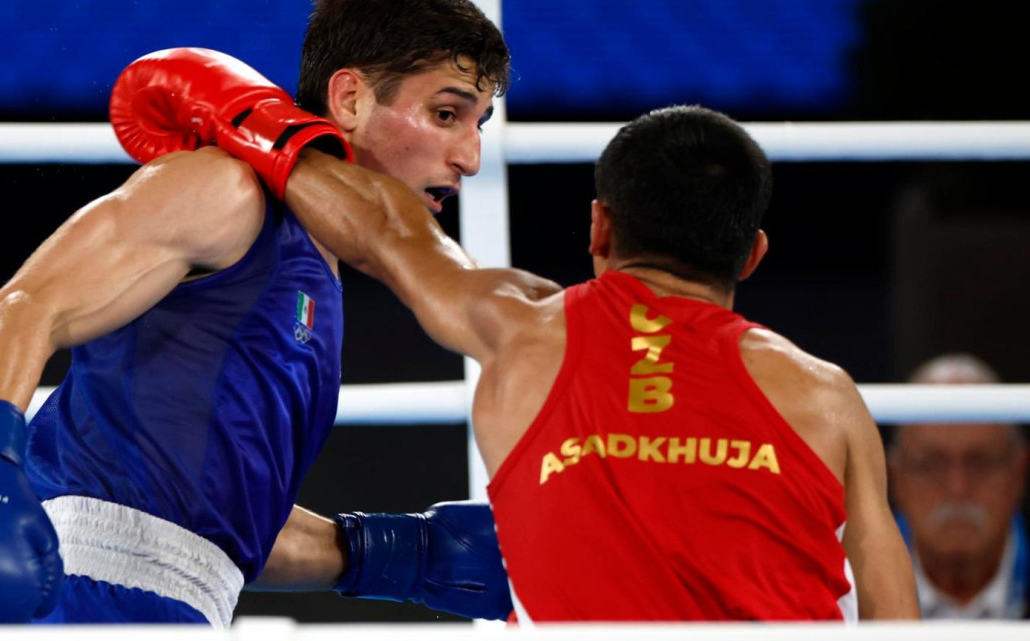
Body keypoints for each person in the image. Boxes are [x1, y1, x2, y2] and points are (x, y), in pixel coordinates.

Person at [0, 0, 513, 626]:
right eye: (446, 115)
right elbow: (26, 308)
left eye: (479, 126)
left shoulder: (315, 274)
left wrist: (396, 554)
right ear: (351, 98)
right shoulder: (228, 191)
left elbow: (200, 540)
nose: (468, 156)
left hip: (188, 604)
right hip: (83, 595)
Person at [272, 107, 924, 620]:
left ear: (599, 228)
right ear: (752, 254)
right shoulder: (827, 397)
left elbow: (386, 230)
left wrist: (246, 121)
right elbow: (893, 613)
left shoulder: (523, 332)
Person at [889, 353, 1029, 618]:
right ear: (896, 478)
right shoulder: (846, 591)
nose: (958, 488)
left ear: (1018, 473)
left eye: (981, 462)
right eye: (931, 464)